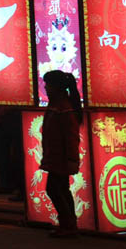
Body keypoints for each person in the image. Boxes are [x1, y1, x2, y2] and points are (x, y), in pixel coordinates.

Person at [40, 70, 82, 238]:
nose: (45, 87)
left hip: (61, 158)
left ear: (56, 87)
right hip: (56, 157)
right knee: (61, 189)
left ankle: (68, 225)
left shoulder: (64, 108)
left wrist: (71, 159)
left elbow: (71, 136)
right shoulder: (57, 105)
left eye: (48, 84)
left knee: (54, 189)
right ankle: (69, 224)